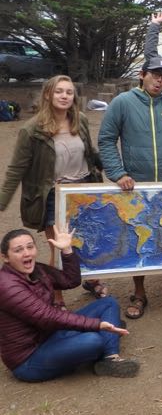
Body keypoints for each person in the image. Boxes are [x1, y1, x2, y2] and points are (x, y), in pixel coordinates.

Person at [0, 75, 105, 309]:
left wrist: (115, 170)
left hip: (84, 190)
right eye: (59, 91)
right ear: (48, 94)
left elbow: (91, 152)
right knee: (59, 248)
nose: (64, 96)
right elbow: (16, 168)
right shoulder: (32, 130)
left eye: (69, 92)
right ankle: (57, 296)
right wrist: (2, 202)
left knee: (89, 240)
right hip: (54, 196)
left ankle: (92, 280)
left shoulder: (81, 120)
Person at [98, 56, 162, 318]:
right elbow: (106, 139)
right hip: (135, 186)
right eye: (155, 74)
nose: (160, 80)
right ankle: (139, 292)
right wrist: (118, 173)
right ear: (142, 74)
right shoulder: (122, 103)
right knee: (137, 236)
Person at [0, 226, 139, 381]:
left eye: (30, 247)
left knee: (108, 303)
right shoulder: (6, 285)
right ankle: (106, 338)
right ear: (5, 257)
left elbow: (70, 280)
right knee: (94, 340)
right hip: (29, 358)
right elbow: (47, 316)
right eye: (18, 250)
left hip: (51, 334)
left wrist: (67, 250)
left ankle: (110, 358)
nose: (26, 253)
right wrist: (97, 325)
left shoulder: (36, 269)